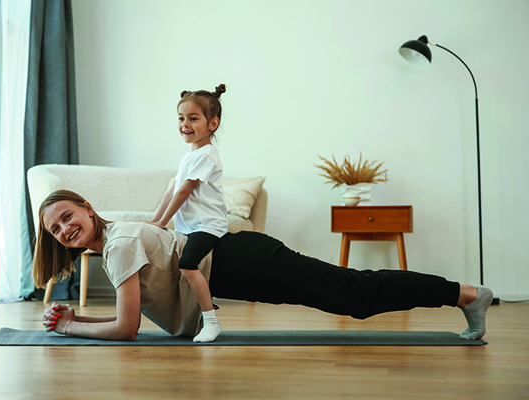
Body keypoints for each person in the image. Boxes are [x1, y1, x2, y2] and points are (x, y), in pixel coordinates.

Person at [35, 190, 493, 342]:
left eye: (67, 217)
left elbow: (126, 328)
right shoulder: (119, 237)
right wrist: (77, 318)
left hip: (241, 263)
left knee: (355, 293)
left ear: (88, 209)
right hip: (239, 261)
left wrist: (72, 325)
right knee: (353, 292)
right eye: (56, 229)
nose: (65, 230)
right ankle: (462, 295)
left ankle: (465, 294)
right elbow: (127, 320)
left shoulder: (118, 245)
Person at [146, 84, 228, 342]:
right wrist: (155, 221)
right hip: (189, 227)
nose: (185, 124)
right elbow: (172, 189)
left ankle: (211, 322)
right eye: (181, 118)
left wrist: (162, 221)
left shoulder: (207, 155)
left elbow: (183, 193)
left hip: (207, 226)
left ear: (212, 124)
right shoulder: (188, 155)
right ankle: (191, 317)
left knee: (187, 265)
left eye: (193, 118)